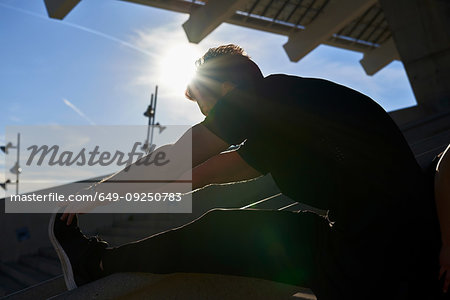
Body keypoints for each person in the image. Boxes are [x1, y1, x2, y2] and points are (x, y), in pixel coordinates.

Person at [49, 44, 447, 299]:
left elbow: (182, 154)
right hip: (390, 249)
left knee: (226, 231)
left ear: (226, 90)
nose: (206, 116)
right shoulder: (290, 115)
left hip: (383, 256)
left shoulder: (264, 98)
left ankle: (93, 265)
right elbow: (206, 173)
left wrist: (103, 191)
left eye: (204, 104)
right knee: (231, 228)